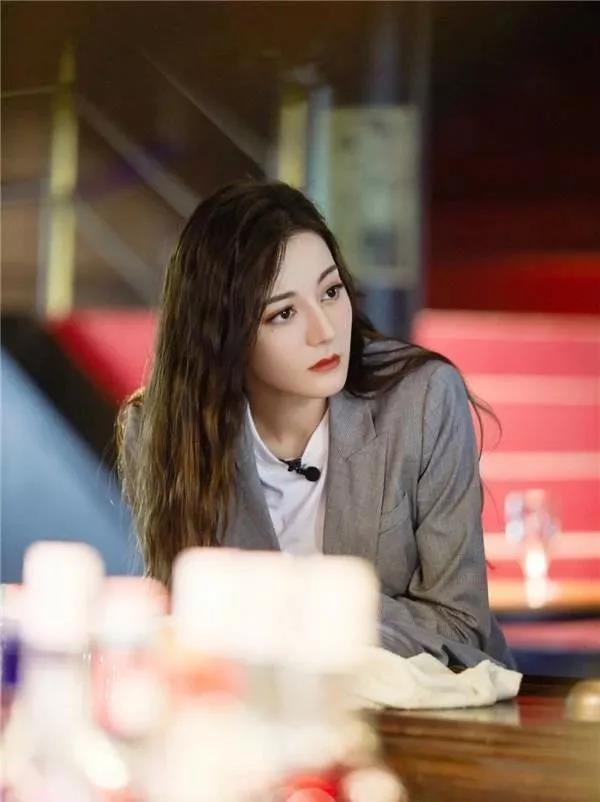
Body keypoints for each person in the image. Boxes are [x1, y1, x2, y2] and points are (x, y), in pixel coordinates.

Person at [117, 178, 514, 669]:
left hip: (426, 704)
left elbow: (461, 626)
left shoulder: (423, 399)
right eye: (284, 313)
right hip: (257, 708)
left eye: (330, 291)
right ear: (222, 335)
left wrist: (302, 611)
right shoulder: (160, 430)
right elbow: (188, 621)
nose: (324, 330)